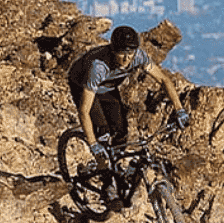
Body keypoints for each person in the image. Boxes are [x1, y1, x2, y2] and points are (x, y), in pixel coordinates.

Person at [67, 24, 190, 163]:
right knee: (103, 132)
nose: (126, 58)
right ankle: (104, 174)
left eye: (130, 53)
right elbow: (84, 111)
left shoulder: (138, 56)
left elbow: (164, 80)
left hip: (108, 86)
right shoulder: (98, 67)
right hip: (81, 83)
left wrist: (179, 109)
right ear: (113, 50)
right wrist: (93, 144)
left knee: (121, 131)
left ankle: (115, 164)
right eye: (122, 53)